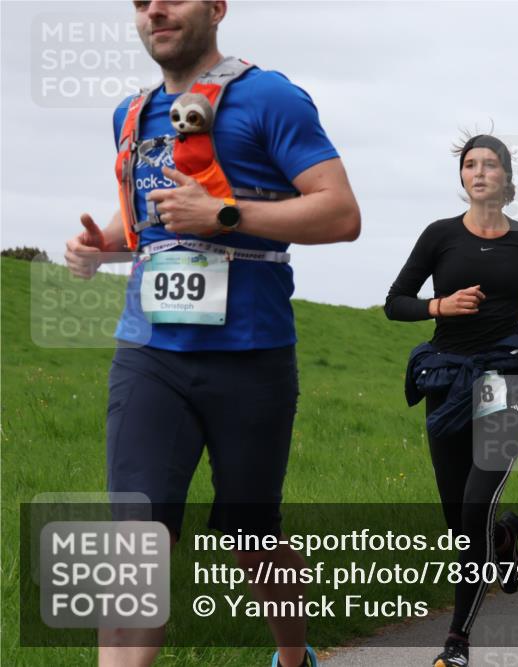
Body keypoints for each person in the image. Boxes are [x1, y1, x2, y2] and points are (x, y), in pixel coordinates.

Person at [63, 2, 361, 666]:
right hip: (150, 354)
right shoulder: (131, 115)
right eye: (141, 2)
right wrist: (100, 246)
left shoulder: (270, 97)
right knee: (136, 543)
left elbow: (341, 212)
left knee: (252, 534)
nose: (155, 10)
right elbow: (155, 223)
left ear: (218, 7)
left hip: (251, 357)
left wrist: (223, 214)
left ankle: (293, 656)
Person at [385, 133, 518, 667]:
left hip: (503, 381)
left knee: (473, 508)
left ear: (506, 179)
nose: (479, 172)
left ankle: (457, 642)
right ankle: (505, 539)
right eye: (470, 164)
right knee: (459, 520)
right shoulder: (439, 236)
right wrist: (439, 306)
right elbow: (394, 302)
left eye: (489, 164)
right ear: (462, 178)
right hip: (447, 382)